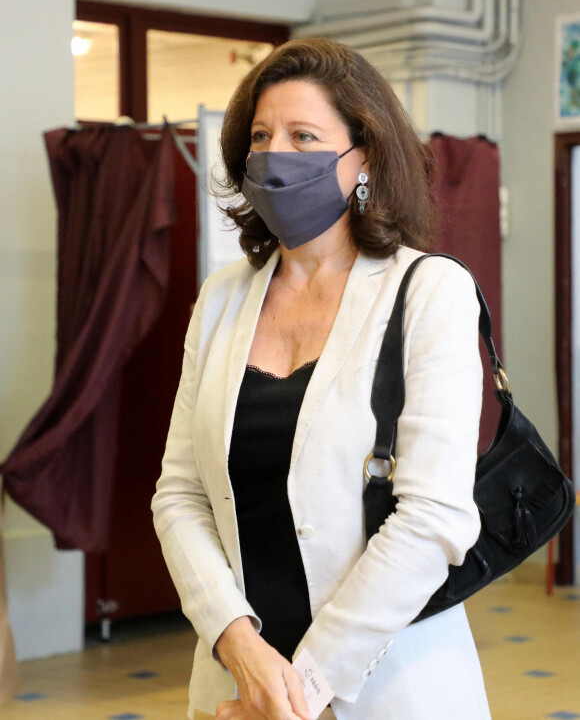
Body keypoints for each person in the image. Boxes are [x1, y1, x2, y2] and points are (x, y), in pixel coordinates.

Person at [152, 37, 491, 720]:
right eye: (261, 136)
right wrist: (238, 645)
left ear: (362, 156)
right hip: (236, 686)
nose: (276, 154)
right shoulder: (221, 298)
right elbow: (180, 493)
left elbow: (432, 518)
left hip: (386, 685)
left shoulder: (429, 291)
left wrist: (299, 690)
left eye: (304, 136)